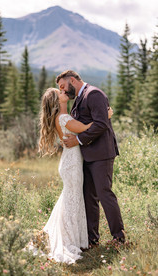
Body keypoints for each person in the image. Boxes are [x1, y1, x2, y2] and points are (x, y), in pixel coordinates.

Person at [37, 87, 113, 264]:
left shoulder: (65, 116)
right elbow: (88, 128)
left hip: (71, 162)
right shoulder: (64, 118)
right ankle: (70, 239)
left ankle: (75, 237)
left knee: (71, 198)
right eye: (61, 92)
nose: (65, 92)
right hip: (72, 164)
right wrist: (106, 116)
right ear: (58, 101)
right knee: (72, 198)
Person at [56, 70, 125, 248]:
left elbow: (102, 124)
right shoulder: (79, 98)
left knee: (104, 194)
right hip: (86, 156)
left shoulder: (93, 94)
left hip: (101, 154)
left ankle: (119, 238)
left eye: (63, 87)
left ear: (72, 80)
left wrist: (78, 140)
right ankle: (92, 239)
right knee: (89, 197)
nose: (63, 91)